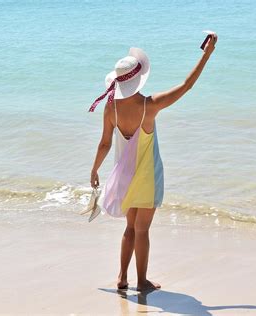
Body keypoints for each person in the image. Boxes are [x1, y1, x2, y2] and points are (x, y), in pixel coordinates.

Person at [89, 33, 218, 291]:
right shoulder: (150, 105)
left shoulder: (111, 108)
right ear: (139, 80)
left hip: (125, 177)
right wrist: (207, 54)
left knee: (129, 229)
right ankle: (142, 281)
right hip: (147, 178)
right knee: (143, 230)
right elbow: (186, 85)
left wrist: (94, 169)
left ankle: (122, 278)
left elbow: (105, 144)